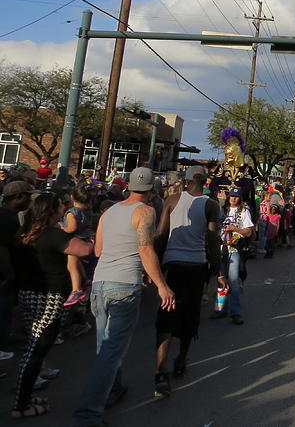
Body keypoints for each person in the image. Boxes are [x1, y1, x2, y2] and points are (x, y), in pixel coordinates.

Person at [71, 167, 175, 427]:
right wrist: (162, 284)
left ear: (128, 186)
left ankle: (112, 390)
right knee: (111, 352)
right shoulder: (146, 211)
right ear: (152, 191)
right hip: (124, 286)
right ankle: (87, 414)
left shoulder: (109, 211)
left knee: (104, 346)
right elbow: (145, 248)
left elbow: (98, 249)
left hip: (101, 283)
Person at [12, 193, 92, 419]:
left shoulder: (24, 234)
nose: (64, 209)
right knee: (36, 350)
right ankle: (21, 405)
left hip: (28, 294)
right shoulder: (53, 235)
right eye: (60, 206)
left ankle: (24, 396)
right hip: (49, 296)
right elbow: (84, 250)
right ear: (51, 210)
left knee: (33, 346)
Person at [153, 165, 220, 398]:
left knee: (166, 317)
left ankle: (161, 372)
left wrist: (155, 265)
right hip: (195, 266)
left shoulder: (171, 199)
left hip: (172, 264)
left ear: (186, 180)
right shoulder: (211, 205)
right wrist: (217, 267)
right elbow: (212, 239)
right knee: (190, 317)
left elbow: (161, 234)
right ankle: (181, 359)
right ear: (206, 181)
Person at [0, 180, 34, 361]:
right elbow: (2, 248)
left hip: (9, 274)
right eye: (28, 196)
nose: (30, 199)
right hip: (4, 276)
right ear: (18, 197)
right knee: (3, 309)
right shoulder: (5, 218)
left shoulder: (10, 216)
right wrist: (9, 274)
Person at [211, 187, 253, 325]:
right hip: (220, 249)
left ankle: (235, 312)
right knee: (220, 280)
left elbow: (249, 232)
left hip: (234, 250)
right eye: (231, 196)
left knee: (234, 281)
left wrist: (235, 229)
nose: (233, 198)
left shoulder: (244, 212)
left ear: (240, 198)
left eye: (236, 196)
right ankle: (220, 309)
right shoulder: (221, 210)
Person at [61, 185, 95, 307]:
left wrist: (60, 228)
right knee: (78, 263)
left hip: (75, 240)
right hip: (85, 239)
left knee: (71, 266)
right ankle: (86, 280)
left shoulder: (72, 212)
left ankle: (76, 290)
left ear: (72, 197)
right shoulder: (88, 211)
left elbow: (71, 228)